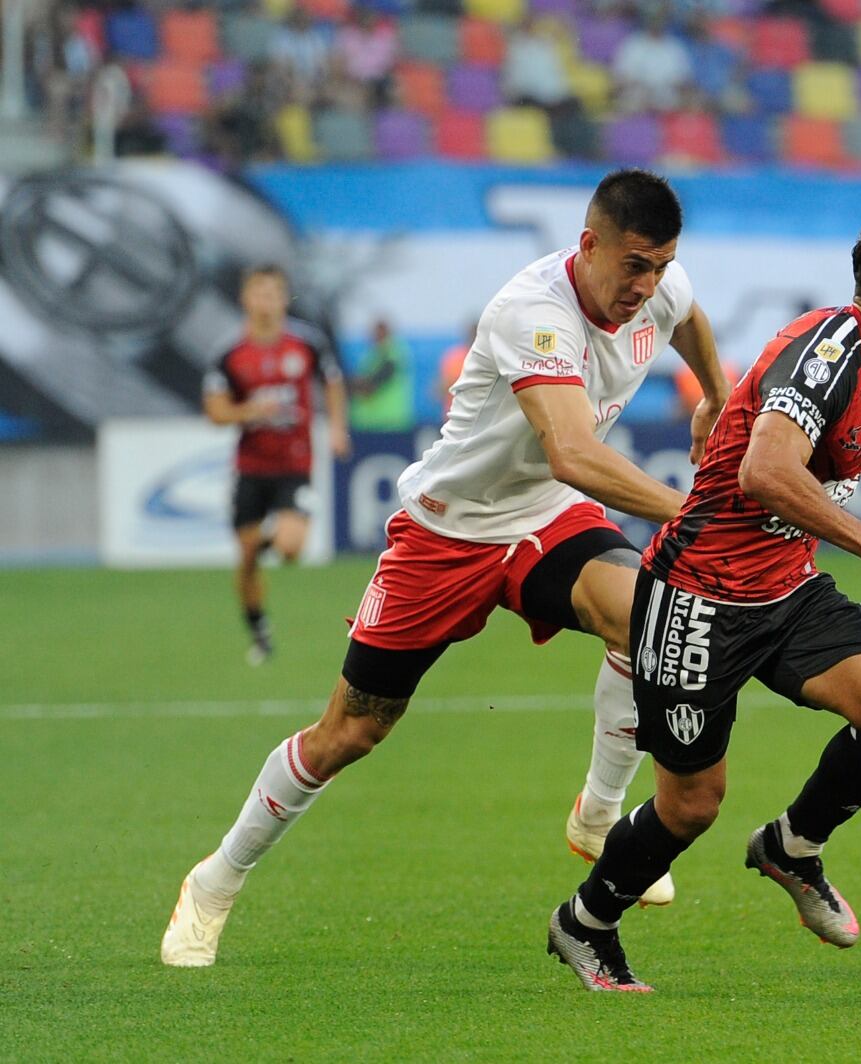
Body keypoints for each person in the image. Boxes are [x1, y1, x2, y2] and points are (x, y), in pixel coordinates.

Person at [163, 170, 731, 967]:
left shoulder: (662, 290)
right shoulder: (532, 313)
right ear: (590, 244)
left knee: (648, 621)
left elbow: (691, 318)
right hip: (447, 533)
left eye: (662, 265)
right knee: (351, 732)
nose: (648, 285)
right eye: (635, 265)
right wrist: (692, 511)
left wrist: (717, 394)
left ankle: (598, 815)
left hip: (543, 519)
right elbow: (571, 452)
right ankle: (215, 881)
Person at [547, 209, 861, 993]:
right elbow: (764, 474)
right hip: (698, 596)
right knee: (692, 805)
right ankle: (585, 922)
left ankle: (793, 846)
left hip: (785, 586)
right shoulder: (831, 348)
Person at [202, 265, 350, 666]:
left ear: (285, 299)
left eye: (274, 294)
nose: (266, 302)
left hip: (295, 463)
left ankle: (262, 546)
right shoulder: (229, 354)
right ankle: (259, 631)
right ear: (245, 299)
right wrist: (251, 409)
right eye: (259, 293)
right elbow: (215, 412)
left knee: (290, 547)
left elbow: (333, 382)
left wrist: (337, 427)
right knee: (248, 560)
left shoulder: (306, 343)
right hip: (250, 467)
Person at [347, 318, 416, 432]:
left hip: (390, 422)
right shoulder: (372, 355)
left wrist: (350, 384)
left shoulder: (394, 354)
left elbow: (371, 385)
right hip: (368, 423)